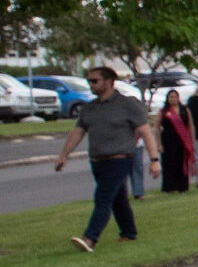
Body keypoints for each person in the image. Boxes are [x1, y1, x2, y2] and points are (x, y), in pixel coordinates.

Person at [54, 67, 159, 252]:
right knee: (118, 198)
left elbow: (145, 132)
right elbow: (77, 132)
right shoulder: (89, 108)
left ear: (109, 81)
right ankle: (129, 232)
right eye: (89, 81)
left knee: (103, 197)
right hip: (97, 161)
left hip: (120, 159)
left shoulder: (127, 105)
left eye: (95, 81)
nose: (91, 85)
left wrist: (154, 159)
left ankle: (90, 238)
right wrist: (64, 156)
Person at [157, 90, 198, 193]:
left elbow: (191, 126)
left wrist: (192, 142)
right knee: (169, 164)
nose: (173, 99)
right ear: (167, 99)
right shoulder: (163, 111)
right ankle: (170, 187)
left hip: (182, 141)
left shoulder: (185, 110)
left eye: (175, 96)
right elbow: (157, 128)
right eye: (171, 97)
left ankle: (182, 187)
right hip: (167, 141)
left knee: (182, 163)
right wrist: (159, 144)